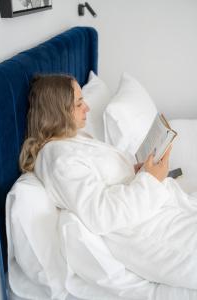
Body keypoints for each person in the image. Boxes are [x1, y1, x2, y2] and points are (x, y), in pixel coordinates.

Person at [19, 74, 197, 292]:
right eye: (78, 103)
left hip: (155, 212)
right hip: (145, 233)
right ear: (58, 112)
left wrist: (136, 173)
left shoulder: (71, 141)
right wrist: (150, 180)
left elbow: (104, 181)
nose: (87, 108)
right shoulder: (59, 160)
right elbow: (101, 214)